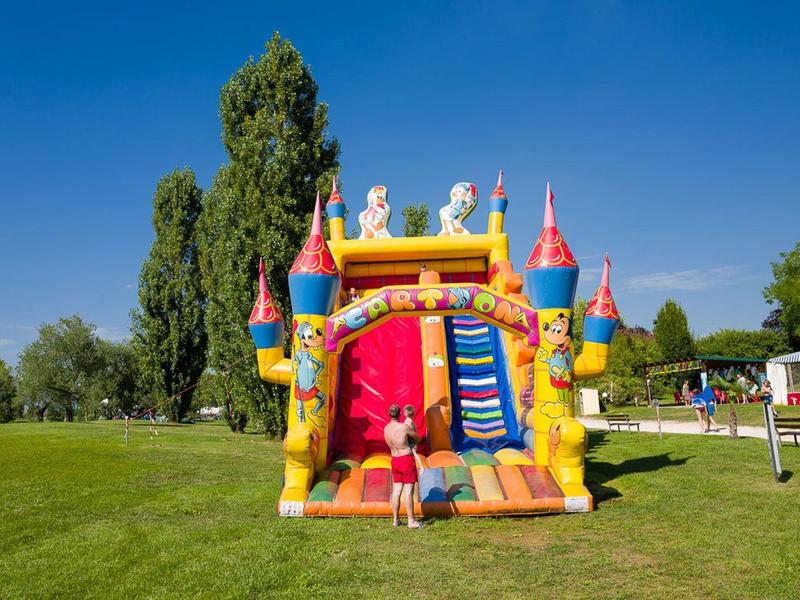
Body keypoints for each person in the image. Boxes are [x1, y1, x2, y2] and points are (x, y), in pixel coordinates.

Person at [384, 403, 422, 529]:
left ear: (389, 414)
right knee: (408, 491)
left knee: (396, 490)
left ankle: (396, 519)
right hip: (406, 459)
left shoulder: (386, 428)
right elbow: (417, 438)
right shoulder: (404, 427)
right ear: (400, 414)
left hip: (394, 460)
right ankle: (411, 521)